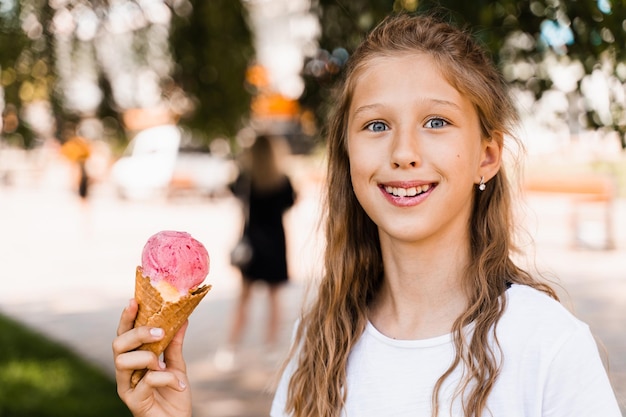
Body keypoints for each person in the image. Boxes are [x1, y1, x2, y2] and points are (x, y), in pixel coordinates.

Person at [112, 13, 622, 417]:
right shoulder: (319, 346)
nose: (403, 151)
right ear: (349, 157)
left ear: (487, 155)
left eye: (436, 121)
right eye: (376, 125)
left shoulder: (547, 346)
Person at [215, 133, 296, 369]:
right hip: (276, 244)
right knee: (274, 299)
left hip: (251, 244)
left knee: (243, 300)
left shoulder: (246, 178)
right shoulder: (283, 181)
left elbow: (232, 191)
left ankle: (231, 347)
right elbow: (290, 203)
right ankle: (270, 347)